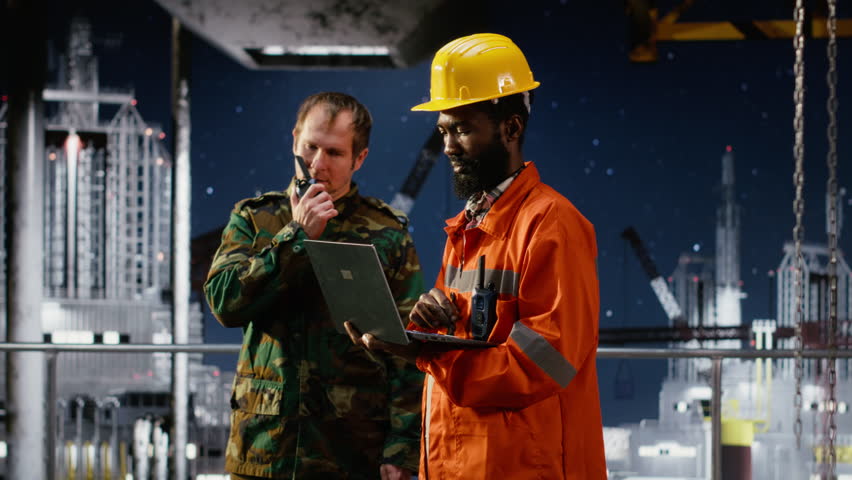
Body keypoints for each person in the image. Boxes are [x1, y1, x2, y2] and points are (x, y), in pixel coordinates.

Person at [345, 34, 607, 479]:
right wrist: (428, 322)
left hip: (523, 466)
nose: (448, 146)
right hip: (463, 461)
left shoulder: (552, 223)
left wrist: (424, 355)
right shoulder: (468, 227)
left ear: (511, 128)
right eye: (444, 130)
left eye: (463, 129)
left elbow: (544, 363)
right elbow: (473, 335)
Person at [204, 92, 425, 480]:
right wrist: (296, 236)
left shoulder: (387, 233)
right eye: (310, 147)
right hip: (264, 448)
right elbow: (224, 304)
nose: (318, 164)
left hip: (351, 451)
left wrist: (402, 449)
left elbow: (410, 350)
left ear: (359, 159)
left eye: (335, 153)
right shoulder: (256, 219)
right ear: (294, 140)